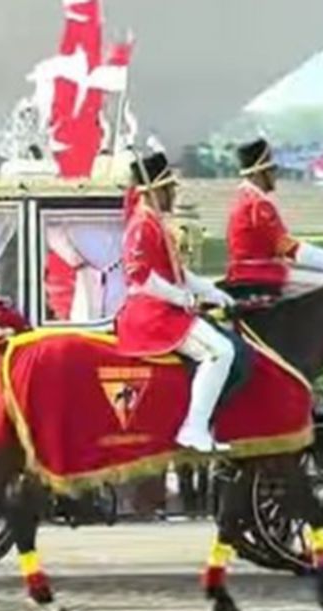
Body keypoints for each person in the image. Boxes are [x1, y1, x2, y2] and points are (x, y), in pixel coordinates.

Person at [115, 151, 237, 453]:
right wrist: (184, 298)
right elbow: (142, 278)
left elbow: (179, 273)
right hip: (150, 314)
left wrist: (212, 291)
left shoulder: (155, 223)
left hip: (163, 308)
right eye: (169, 188)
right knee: (221, 351)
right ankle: (193, 428)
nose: (173, 193)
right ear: (154, 190)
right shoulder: (143, 224)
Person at [222, 138, 323, 301]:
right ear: (260, 173)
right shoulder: (258, 205)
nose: (276, 176)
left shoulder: (246, 198)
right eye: (272, 170)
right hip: (261, 275)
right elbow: (290, 249)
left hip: (251, 272)